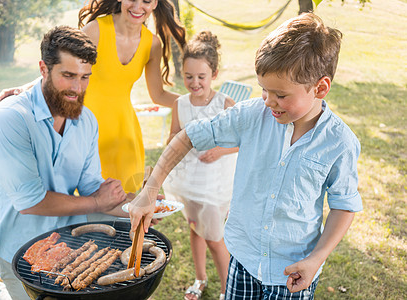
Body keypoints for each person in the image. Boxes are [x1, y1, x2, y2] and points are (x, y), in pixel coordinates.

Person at [129, 13, 363, 299]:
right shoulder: (252, 114)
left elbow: (344, 205)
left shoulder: (340, 142)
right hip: (242, 259)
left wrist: (316, 259)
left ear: (320, 88)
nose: (268, 101)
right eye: (264, 90)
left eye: (280, 94)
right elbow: (186, 136)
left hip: (293, 271)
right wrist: (150, 190)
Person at [0, 25, 128, 299]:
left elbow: (91, 186)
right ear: (43, 69)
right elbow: (31, 201)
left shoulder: (86, 121)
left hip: (67, 241)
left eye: (84, 77)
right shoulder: (8, 119)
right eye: (68, 76)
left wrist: (137, 206)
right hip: (17, 248)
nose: (77, 88)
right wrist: (96, 203)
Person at [0, 0, 186, 199]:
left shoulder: (152, 44)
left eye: (146, 0)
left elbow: (158, 95)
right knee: (83, 203)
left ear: (155, 3)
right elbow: (63, 66)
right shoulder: (96, 30)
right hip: (82, 128)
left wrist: (203, 103)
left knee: (123, 203)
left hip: (124, 135)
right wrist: (25, 88)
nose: (137, 7)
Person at [161, 30, 238, 300]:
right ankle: (200, 278)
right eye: (188, 76)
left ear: (214, 74)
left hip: (214, 186)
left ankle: (229, 290)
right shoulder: (180, 104)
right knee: (195, 229)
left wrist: (220, 150)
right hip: (188, 184)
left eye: (201, 77)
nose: (194, 83)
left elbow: (245, 142)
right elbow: (173, 139)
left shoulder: (224, 104)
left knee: (215, 239)